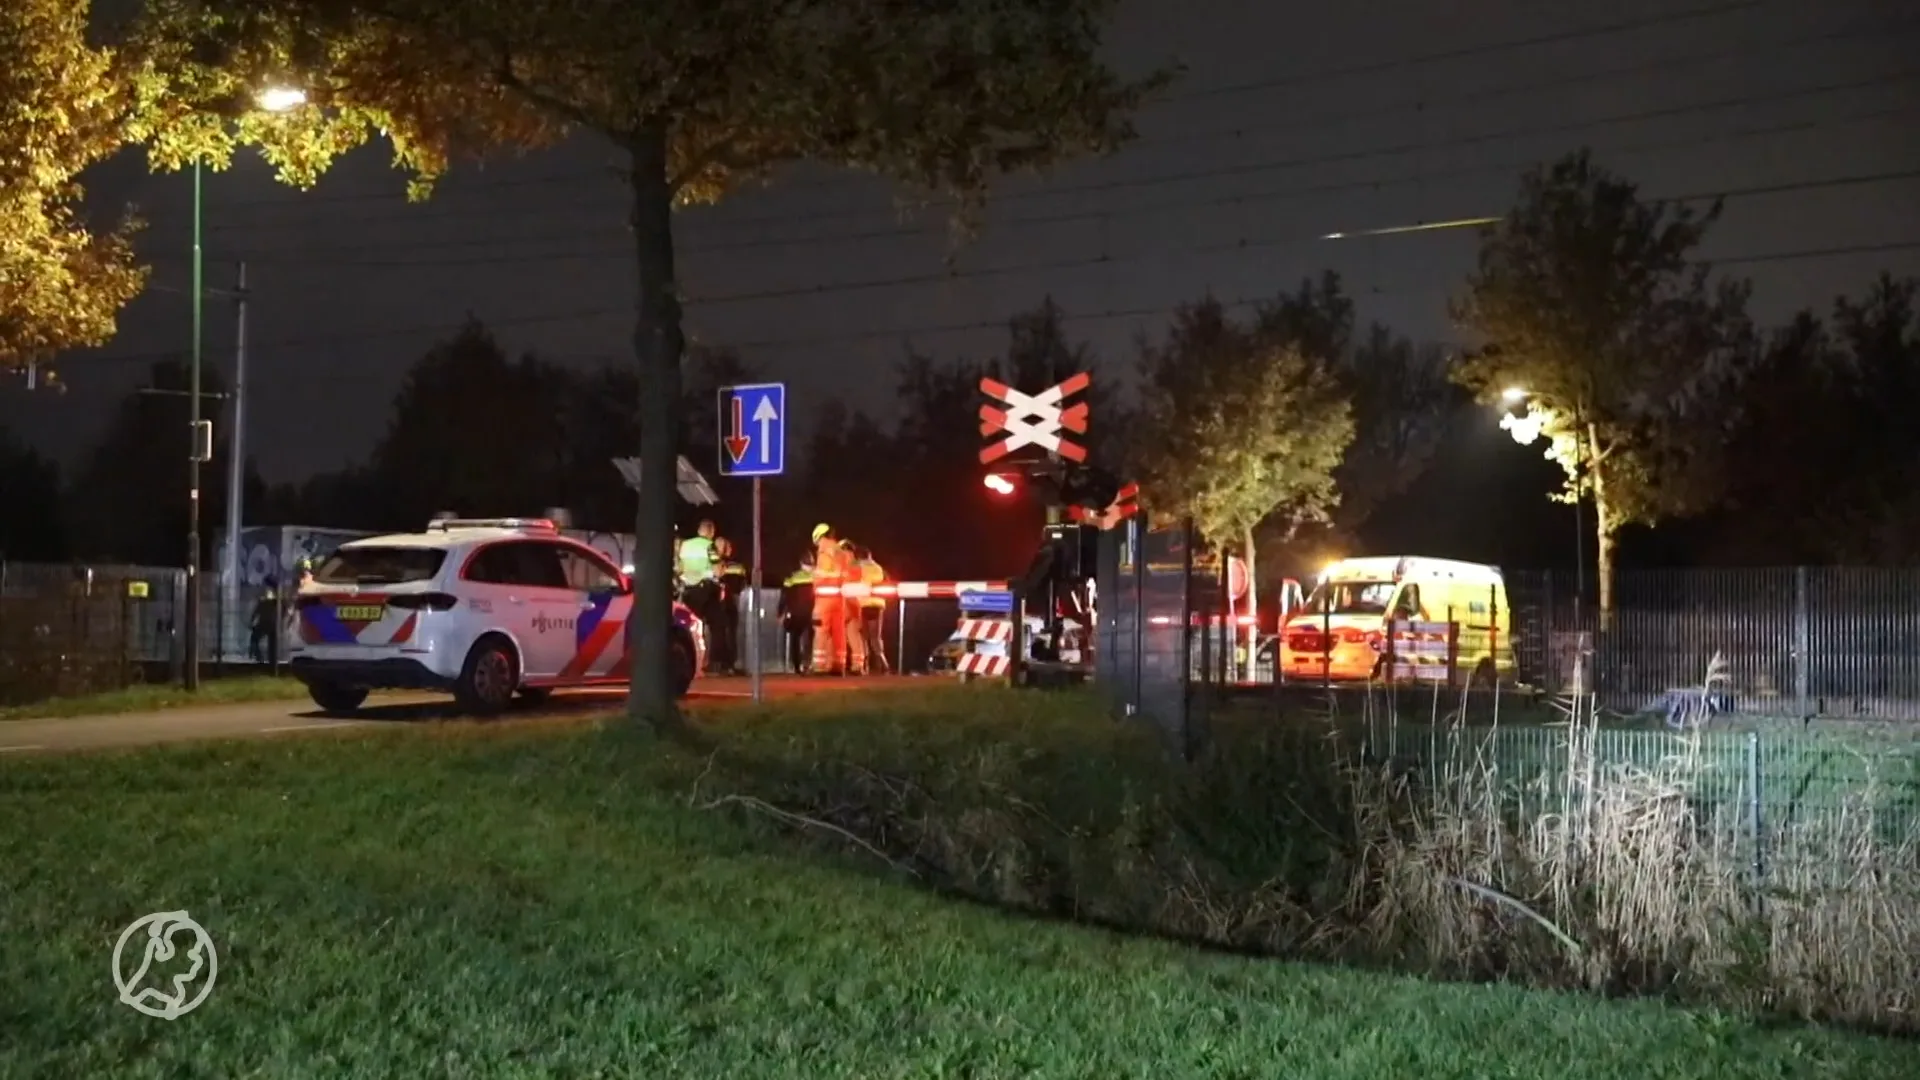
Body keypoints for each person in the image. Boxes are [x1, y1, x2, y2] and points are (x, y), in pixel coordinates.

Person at [809, 523, 854, 675]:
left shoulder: (823, 551)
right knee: (838, 631)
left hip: (824, 597)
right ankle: (839, 665)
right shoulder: (840, 551)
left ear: (819, 537)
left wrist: (814, 580)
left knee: (821, 631)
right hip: (839, 598)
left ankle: (819, 666)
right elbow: (846, 573)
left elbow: (822, 575)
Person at [677, 519, 720, 664]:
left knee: (691, 623)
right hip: (706, 587)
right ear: (710, 532)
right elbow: (716, 567)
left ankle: (691, 660)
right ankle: (714, 662)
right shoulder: (709, 545)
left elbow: (680, 567)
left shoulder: (686, 545)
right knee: (717, 625)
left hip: (687, 587)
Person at [851, 543, 891, 675]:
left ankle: (864, 666)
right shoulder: (879, 568)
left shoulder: (857, 567)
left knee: (862, 636)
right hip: (878, 605)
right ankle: (883, 664)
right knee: (876, 637)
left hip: (862, 605)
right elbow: (887, 582)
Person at [713, 535, 747, 673]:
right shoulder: (737, 565)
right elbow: (743, 583)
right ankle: (727, 664)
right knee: (729, 632)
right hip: (731, 600)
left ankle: (722, 663)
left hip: (723, 601)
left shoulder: (719, 563)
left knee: (723, 632)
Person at [779, 555, 815, 673]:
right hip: (812, 613)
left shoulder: (792, 577)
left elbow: (784, 596)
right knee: (809, 639)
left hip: (795, 613)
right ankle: (807, 664)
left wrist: (780, 612)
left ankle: (796, 666)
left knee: (795, 639)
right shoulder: (816, 576)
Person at [248, 577, 280, 664]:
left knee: (255, 638)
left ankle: (261, 658)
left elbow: (258, 608)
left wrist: (252, 620)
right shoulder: (277, 595)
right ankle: (270, 662)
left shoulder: (268, 594)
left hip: (266, 622)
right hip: (272, 623)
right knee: (271, 644)